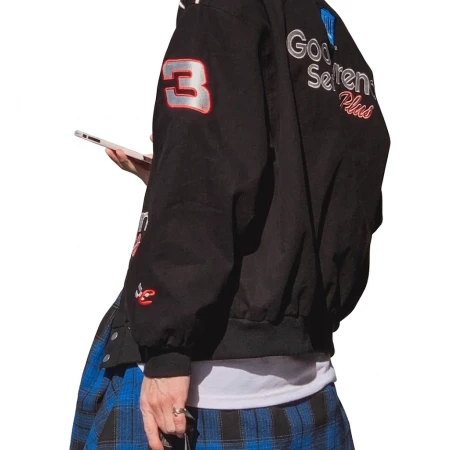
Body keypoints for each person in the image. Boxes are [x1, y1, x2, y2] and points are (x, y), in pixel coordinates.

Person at [70, 0, 390, 449]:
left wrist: (167, 352)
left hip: (203, 392)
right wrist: (168, 178)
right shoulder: (329, 32)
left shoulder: (219, 13)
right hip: (309, 389)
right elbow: (337, 191)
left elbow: (207, 171)